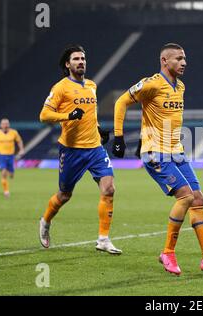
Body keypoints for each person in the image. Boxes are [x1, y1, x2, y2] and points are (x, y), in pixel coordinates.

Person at [112, 43, 203, 276]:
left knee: (198, 199)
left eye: (185, 58)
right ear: (164, 60)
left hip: (176, 151)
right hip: (155, 153)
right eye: (179, 58)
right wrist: (119, 136)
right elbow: (121, 102)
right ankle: (167, 252)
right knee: (186, 196)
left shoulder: (180, 86)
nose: (184, 62)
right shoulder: (151, 84)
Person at [38, 44, 120, 254]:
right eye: (76, 59)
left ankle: (103, 239)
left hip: (94, 148)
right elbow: (44, 116)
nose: (81, 62)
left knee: (109, 188)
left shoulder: (92, 85)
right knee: (64, 195)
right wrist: (68, 116)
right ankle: (46, 221)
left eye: (83, 58)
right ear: (68, 64)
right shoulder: (60, 88)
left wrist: (99, 130)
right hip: (72, 150)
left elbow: (89, 114)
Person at [0, 118, 25, 197]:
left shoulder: (14, 132)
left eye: (7, 123)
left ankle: (11, 172)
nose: (5, 125)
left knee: (11, 174)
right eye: (4, 124)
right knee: (4, 172)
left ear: (9, 125)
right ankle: (6, 191)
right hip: (1, 155)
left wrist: (21, 149)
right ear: (1, 125)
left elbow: (19, 141)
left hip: (11, 155)